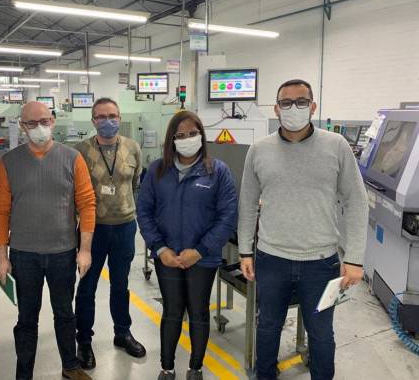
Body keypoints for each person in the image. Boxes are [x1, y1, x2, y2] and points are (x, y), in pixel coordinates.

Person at [238, 79, 368, 380]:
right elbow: (247, 203)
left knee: (321, 334)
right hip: (271, 259)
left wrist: (355, 258)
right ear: (276, 108)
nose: (293, 108)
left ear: (313, 106)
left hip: (321, 263)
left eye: (301, 102)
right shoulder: (259, 150)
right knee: (267, 327)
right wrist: (245, 250)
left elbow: (357, 201)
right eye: (286, 103)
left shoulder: (336, 146)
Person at [0, 101, 96, 380]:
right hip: (24, 255)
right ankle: (23, 373)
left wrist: (85, 250)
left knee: (65, 314)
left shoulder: (73, 158)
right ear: (22, 126)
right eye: (32, 123)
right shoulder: (9, 162)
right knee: (27, 319)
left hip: (63, 253)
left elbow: (87, 204)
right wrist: (1, 257)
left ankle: (70, 366)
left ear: (53, 121)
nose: (39, 128)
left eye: (45, 121)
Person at [137, 111, 238, 380]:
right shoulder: (157, 171)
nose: (187, 139)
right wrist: (160, 248)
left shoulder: (218, 171)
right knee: (172, 311)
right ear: (171, 140)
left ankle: (195, 368)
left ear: (201, 135)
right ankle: (167, 368)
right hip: (167, 256)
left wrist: (200, 250)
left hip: (202, 258)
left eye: (192, 133)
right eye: (180, 135)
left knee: (198, 310)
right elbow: (144, 212)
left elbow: (227, 216)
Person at [74, 98, 146, 369]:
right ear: (93, 120)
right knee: (87, 286)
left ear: (120, 117)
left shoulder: (133, 147)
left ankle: (122, 333)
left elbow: (135, 182)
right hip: (92, 230)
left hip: (125, 226)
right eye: (102, 117)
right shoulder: (80, 151)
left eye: (113, 116)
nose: (108, 121)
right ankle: (84, 340)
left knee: (120, 284)